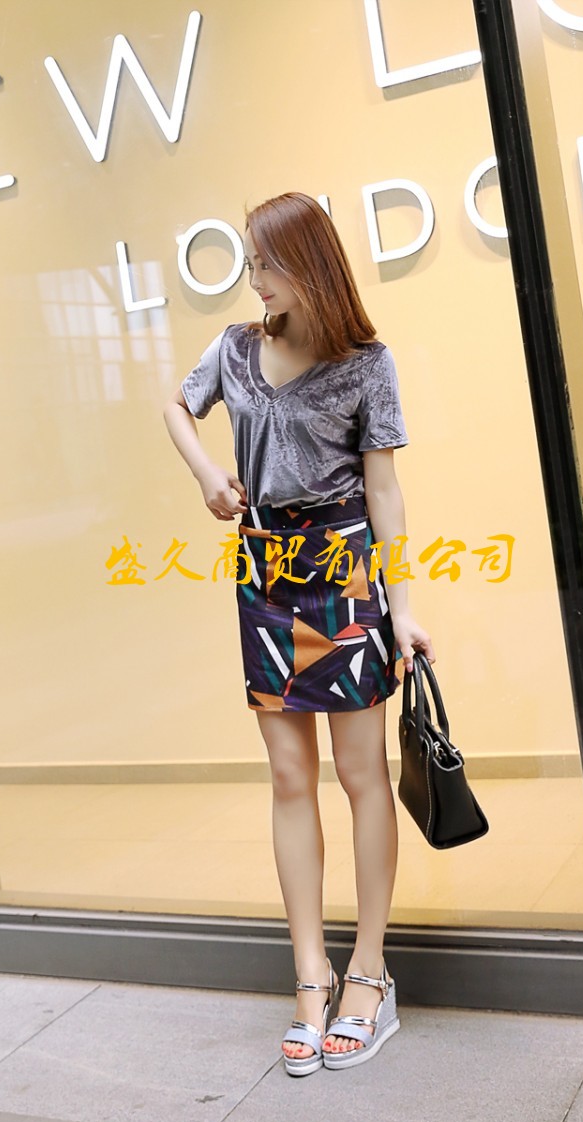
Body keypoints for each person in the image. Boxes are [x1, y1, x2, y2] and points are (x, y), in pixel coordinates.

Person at [163, 191, 434, 1075]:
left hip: (345, 572)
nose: (254, 280)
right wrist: (208, 474)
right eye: (251, 263)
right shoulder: (236, 348)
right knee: (289, 776)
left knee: (361, 774)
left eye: (265, 264)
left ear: (307, 265)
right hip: (265, 572)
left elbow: (385, 491)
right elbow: (178, 407)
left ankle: (369, 974)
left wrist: (401, 605)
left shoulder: (366, 364)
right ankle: (310, 977)